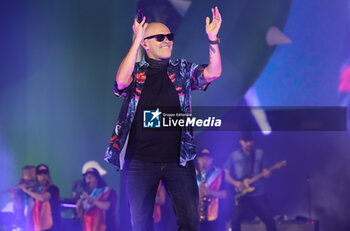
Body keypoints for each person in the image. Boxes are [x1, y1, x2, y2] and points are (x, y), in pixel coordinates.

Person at [104, 6, 222, 231]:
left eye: (170, 37)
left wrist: (213, 39)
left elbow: (213, 73)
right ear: (146, 44)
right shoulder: (136, 73)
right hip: (140, 161)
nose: (168, 41)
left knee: (190, 221)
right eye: (160, 37)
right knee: (141, 224)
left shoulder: (182, 71)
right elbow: (120, 82)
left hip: (178, 160)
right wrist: (137, 40)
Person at [223, 132, 276, 231]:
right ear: (241, 142)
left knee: (270, 220)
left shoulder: (260, 153)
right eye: (246, 141)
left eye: (250, 141)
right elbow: (224, 174)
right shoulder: (234, 156)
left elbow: (267, 173)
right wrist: (236, 183)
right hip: (242, 195)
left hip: (258, 194)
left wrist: (267, 173)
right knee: (235, 221)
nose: (249, 143)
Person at [18, 164, 61, 231]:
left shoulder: (53, 188)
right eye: (40, 173)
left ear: (48, 175)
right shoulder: (35, 191)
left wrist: (26, 190)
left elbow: (43, 198)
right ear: (36, 176)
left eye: (45, 173)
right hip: (38, 226)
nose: (42, 175)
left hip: (52, 227)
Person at [196, 149, 227, 231]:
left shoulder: (220, 173)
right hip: (196, 217)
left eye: (208, 159)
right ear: (197, 159)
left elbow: (226, 194)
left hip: (216, 218)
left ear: (212, 160)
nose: (204, 161)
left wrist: (210, 192)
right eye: (202, 158)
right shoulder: (192, 174)